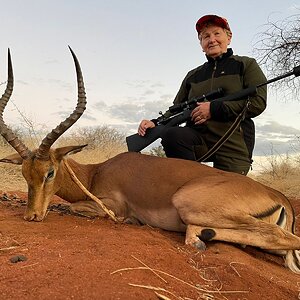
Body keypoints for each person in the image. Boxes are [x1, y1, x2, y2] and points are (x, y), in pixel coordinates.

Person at [138, 14, 267, 175]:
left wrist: (214, 109)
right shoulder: (192, 75)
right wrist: (156, 123)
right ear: (201, 44)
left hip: (232, 142)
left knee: (227, 195)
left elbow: (258, 103)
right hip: (198, 139)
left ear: (229, 37)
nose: (211, 39)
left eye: (217, 33)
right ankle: (191, 180)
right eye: (205, 36)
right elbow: (176, 109)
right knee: (172, 135)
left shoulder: (246, 64)